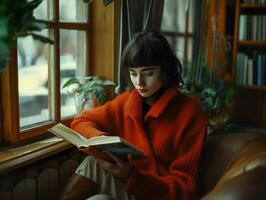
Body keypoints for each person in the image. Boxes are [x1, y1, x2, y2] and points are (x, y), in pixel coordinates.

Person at [58, 31, 207, 200]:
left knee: (94, 175)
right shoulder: (127, 102)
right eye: (133, 73)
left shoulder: (190, 112)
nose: (139, 82)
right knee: (95, 176)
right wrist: (103, 144)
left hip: (159, 194)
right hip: (128, 185)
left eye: (149, 73)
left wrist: (132, 176)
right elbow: (81, 121)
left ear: (165, 71)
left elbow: (185, 188)